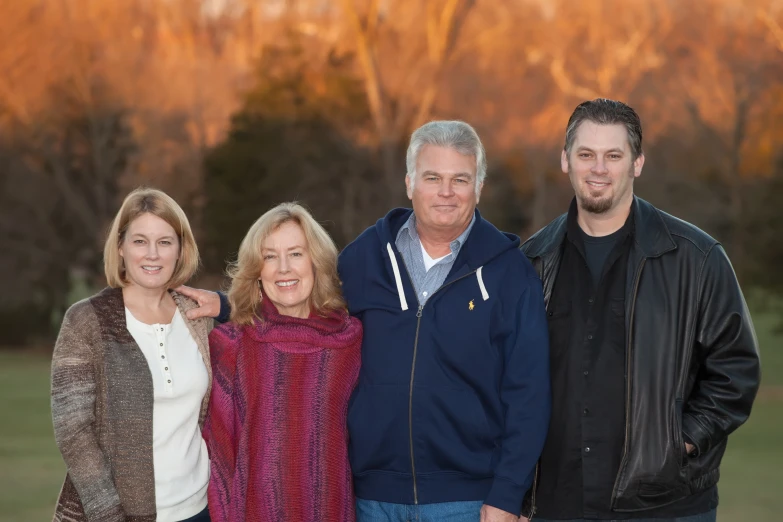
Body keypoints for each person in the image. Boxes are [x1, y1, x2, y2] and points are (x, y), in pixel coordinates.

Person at [179, 121, 551, 521]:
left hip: (467, 501)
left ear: (478, 187)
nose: (446, 192)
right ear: (410, 183)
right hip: (370, 500)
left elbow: (529, 394)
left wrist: (508, 496)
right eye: (432, 177)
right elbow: (303, 309)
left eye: (460, 179)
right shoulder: (365, 258)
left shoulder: (510, 274)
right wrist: (228, 306)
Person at [519, 99, 761, 522]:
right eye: (586, 154)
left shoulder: (697, 258)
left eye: (614, 155)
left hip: (664, 506)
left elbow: (735, 371)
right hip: (557, 505)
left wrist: (677, 444)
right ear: (565, 160)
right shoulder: (532, 261)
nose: (599, 168)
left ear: (637, 164)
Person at [51, 188, 214, 522]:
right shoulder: (86, 321)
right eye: (140, 241)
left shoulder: (199, 317)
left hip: (200, 507)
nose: (152, 254)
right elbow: (73, 432)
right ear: (121, 247)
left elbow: (266, 305)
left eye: (165, 242)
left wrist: (225, 303)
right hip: (119, 514)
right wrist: (109, 514)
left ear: (181, 250)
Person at [202, 203, 362, 522]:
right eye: (270, 257)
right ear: (256, 271)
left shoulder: (349, 342)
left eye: (296, 253)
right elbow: (218, 459)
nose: (284, 268)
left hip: (330, 509)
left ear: (316, 263)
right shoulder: (231, 345)